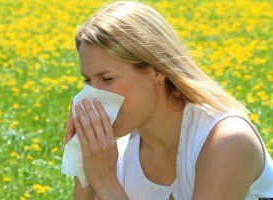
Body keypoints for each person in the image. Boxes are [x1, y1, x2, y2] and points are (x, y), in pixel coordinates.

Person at [64, 1, 273, 199]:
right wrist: (83, 169)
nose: (93, 97)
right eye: (88, 80)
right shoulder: (115, 158)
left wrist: (106, 184)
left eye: (107, 79)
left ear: (157, 71)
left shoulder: (227, 140)